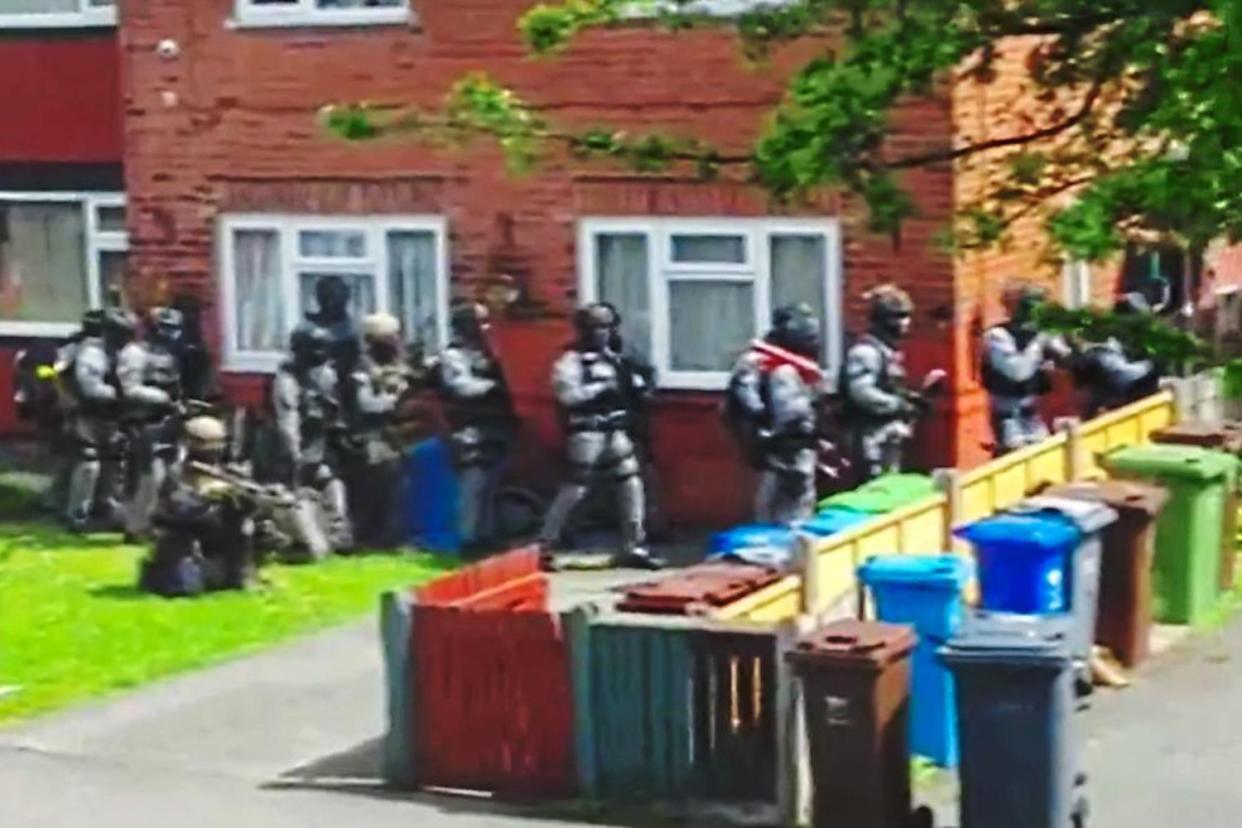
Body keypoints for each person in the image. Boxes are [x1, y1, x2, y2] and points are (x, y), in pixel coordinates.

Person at [537, 303, 663, 570]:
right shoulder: (570, 361)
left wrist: (639, 384)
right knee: (577, 486)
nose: (603, 333)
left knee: (631, 483)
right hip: (587, 431)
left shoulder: (617, 358)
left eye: (607, 326)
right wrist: (600, 389)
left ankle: (634, 545)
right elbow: (567, 396)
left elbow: (638, 386)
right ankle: (544, 545)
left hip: (616, 430)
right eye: (596, 327)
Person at [139, 416, 260, 597]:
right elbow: (175, 511)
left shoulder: (226, 471)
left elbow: (250, 504)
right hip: (185, 535)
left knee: (246, 526)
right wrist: (208, 500)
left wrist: (239, 500)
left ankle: (239, 576)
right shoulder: (177, 472)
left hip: (213, 537)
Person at [725, 304, 824, 524]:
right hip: (775, 446)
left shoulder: (791, 360)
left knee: (797, 505)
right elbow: (747, 400)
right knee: (776, 506)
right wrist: (769, 433)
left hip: (797, 443)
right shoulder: (762, 361)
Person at [433, 301, 519, 553]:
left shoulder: (485, 352)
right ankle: (468, 539)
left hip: (494, 428)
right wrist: (491, 387)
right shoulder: (453, 356)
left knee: (491, 486)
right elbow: (460, 387)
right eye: (481, 322)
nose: (486, 327)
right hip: (468, 429)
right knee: (472, 486)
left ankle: (486, 535)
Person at [271, 323, 353, 557]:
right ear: (299, 350)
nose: (322, 354)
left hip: (318, 446)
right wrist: (295, 455)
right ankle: (290, 539)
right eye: (316, 349)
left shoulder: (325, 374)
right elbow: (288, 420)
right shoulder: (285, 380)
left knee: (334, 484)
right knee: (292, 498)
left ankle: (339, 533)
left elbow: (334, 412)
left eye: (325, 349)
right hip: (286, 452)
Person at [840, 285, 934, 483]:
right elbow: (862, 392)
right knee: (873, 486)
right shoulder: (866, 352)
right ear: (882, 319)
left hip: (889, 435)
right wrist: (898, 405)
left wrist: (912, 398)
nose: (905, 323)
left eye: (906, 316)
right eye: (898, 317)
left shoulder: (888, 351)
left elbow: (889, 385)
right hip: (869, 436)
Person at [345, 313, 416, 549]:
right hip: (370, 437)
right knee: (374, 492)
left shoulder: (395, 364)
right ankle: (368, 539)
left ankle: (390, 538)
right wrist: (395, 398)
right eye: (392, 337)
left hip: (391, 436)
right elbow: (366, 405)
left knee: (395, 489)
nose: (397, 341)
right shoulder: (362, 367)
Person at [63, 309, 136, 531]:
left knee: (115, 463)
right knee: (89, 464)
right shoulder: (91, 353)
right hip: (89, 415)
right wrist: (122, 393)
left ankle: (108, 509)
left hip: (115, 416)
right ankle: (78, 515)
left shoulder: (124, 352)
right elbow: (90, 388)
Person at [982, 282, 1074, 456]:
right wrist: (1039, 342)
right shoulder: (998, 336)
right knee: (1015, 458)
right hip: (1007, 416)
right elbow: (1017, 372)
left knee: (1045, 455)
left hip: (1032, 413)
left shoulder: (1040, 335)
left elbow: (1068, 361)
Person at [118, 307, 185, 541]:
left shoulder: (169, 353)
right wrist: (162, 398)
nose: (170, 334)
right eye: (165, 329)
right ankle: (135, 526)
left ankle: (160, 522)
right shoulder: (134, 353)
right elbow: (130, 388)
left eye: (174, 329)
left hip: (169, 422)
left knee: (172, 475)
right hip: (143, 422)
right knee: (148, 477)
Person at [1077, 293, 1162, 418]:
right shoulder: (1095, 355)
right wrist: (1153, 365)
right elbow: (1124, 375)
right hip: (1108, 413)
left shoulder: (1112, 343)